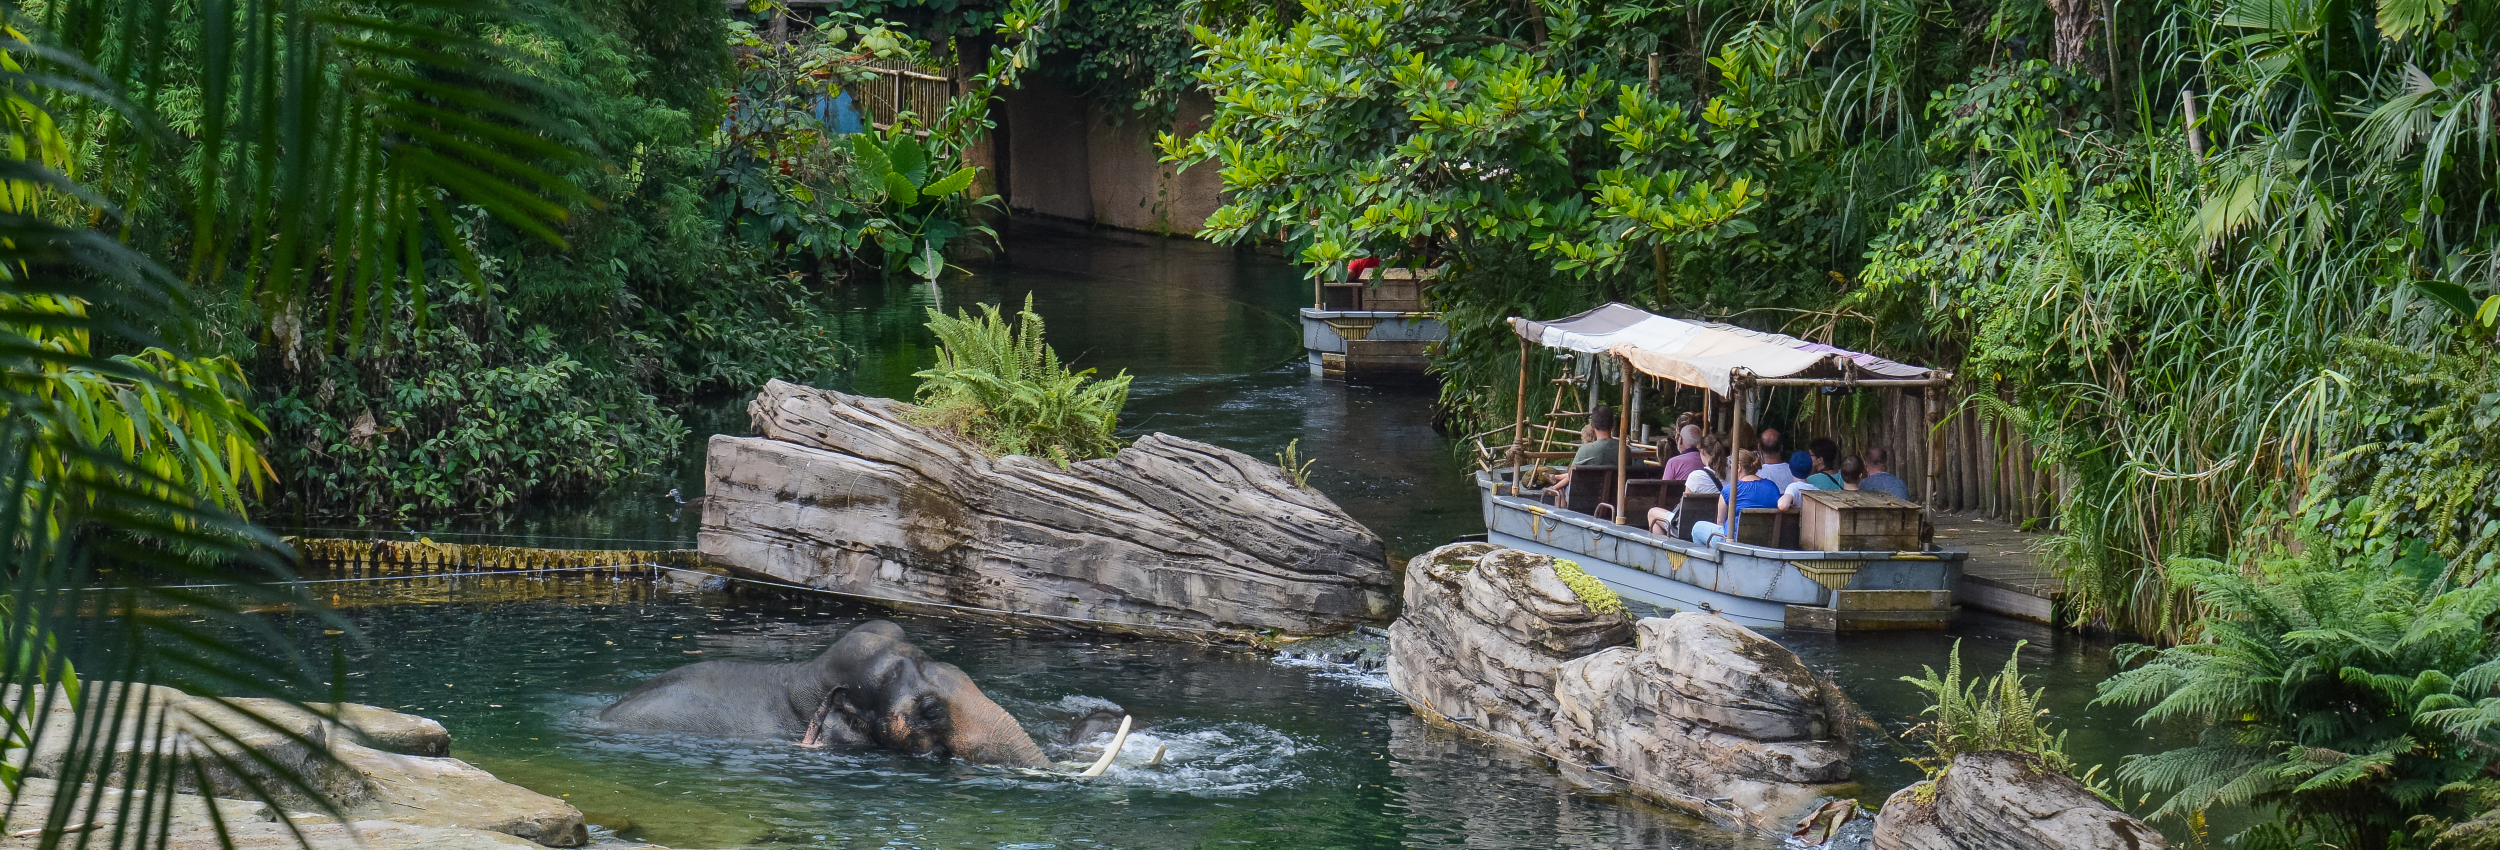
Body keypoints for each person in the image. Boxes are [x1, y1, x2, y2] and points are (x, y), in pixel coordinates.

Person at [1688, 451, 1780, 547]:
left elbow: (1720, 521)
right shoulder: (1772, 487)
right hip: (1764, 541)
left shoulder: (1730, 489)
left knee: (1697, 528)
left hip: (1732, 542)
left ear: (1739, 468)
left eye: (1731, 467)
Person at [1646, 435, 1725, 535]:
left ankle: (1663, 544)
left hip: (1689, 525)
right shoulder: (1731, 476)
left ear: (1703, 452)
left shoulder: (1695, 476)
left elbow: (1686, 509)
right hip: (1713, 523)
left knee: (1652, 513)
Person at [1546, 406, 1619, 499]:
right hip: (1614, 501)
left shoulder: (1585, 450)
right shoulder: (1625, 451)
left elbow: (1571, 475)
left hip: (1585, 500)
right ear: (1613, 425)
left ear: (1592, 426)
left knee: (1560, 491)